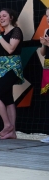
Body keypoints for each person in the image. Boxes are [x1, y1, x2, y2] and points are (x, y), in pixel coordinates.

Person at [0, 8, 24, 140]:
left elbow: (10, 49)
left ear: (11, 18)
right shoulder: (1, 34)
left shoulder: (16, 31)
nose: (1, 18)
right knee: (8, 99)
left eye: (4, 16)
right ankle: (12, 132)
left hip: (13, 68)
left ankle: (7, 124)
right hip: (2, 68)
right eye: (0, 16)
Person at [40, 8, 49, 143]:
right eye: (47, 16)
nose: (48, 18)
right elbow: (42, 53)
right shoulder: (47, 31)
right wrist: (43, 44)